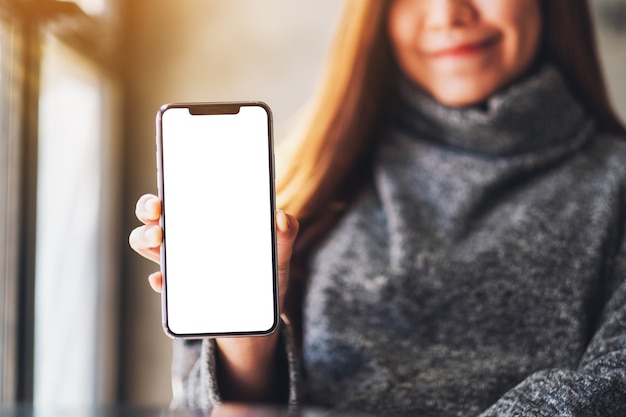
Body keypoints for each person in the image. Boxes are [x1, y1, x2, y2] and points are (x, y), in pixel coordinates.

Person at [129, 0, 626, 415]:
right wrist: (246, 341)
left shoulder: (614, 183)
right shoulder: (309, 179)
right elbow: (205, 410)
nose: (448, 13)